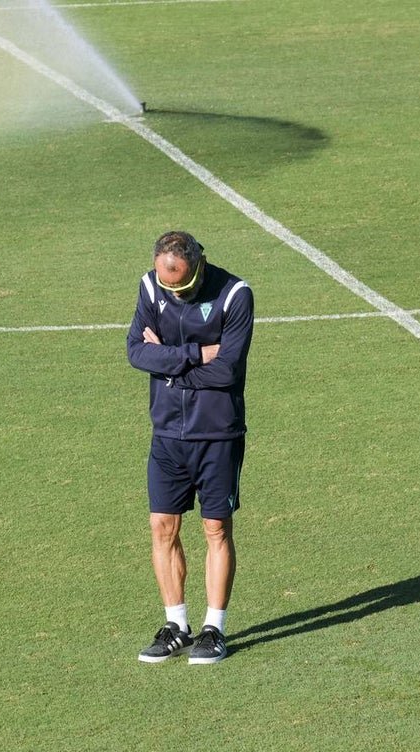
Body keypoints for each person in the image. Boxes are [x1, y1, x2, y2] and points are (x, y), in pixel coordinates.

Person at [126, 231, 254, 664]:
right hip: (167, 434)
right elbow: (136, 352)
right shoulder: (151, 287)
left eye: (181, 285)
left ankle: (214, 628)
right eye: (169, 287)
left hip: (217, 434)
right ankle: (176, 625)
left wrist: (167, 362)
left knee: (216, 528)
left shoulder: (235, 295)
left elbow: (228, 371)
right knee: (162, 526)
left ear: (199, 263)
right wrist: (197, 355)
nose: (174, 293)